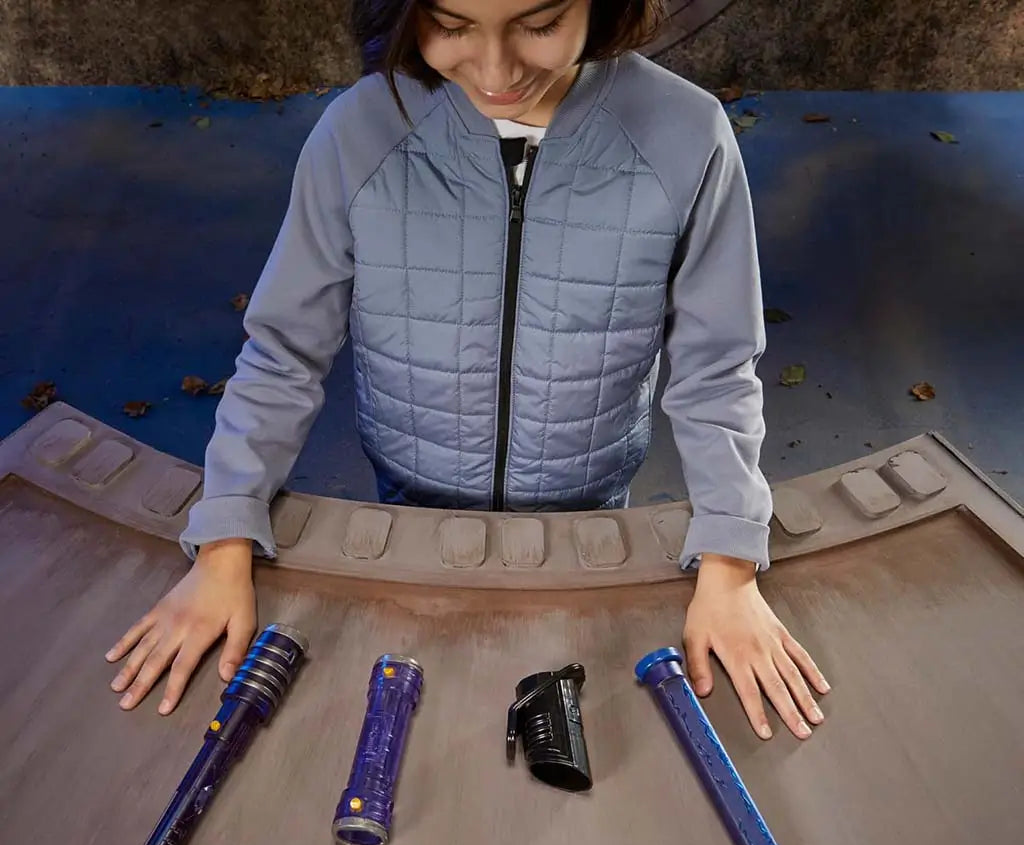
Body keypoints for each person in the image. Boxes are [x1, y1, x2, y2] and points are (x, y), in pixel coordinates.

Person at [106, 0, 831, 740]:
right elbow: (284, 350)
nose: (494, 70)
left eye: (539, 24)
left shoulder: (687, 136)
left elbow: (716, 368)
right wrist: (225, 538)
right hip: (409, 510)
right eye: (451, 26)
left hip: (588, 518)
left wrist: (731, 560)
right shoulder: (358, 132)